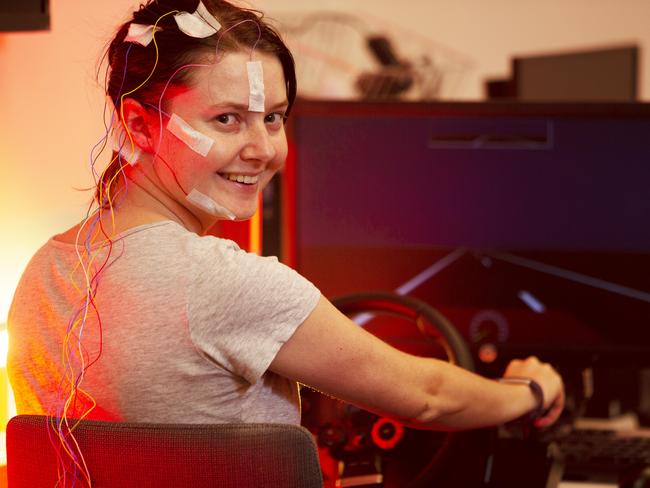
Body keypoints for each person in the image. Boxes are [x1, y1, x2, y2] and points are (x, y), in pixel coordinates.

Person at [8, 0, 563, 453]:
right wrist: (529, 391)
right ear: (139, 124)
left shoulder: (42, 272)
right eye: (226, 119)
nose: (263, 150)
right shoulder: (226, 284)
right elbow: (427, 397)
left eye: (273, 118)